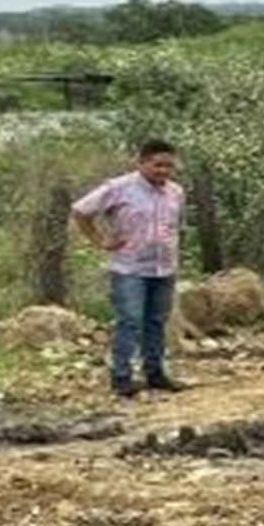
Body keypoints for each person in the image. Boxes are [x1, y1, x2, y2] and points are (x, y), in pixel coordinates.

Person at [72, 139, 187, 397]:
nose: (164, 171)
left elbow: (176, 226)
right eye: (158, 165)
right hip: (129, 268)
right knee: (130, 321)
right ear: (141, 163)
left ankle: (155, 374)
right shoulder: (119, 188)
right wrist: (100, 240)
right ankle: (121, 377)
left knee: (156, 321)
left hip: (164, 268)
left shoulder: (175, 192)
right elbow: (80, 211)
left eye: (169, 166)